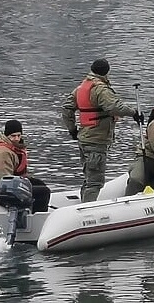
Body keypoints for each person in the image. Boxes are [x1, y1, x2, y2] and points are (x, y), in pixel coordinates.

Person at [62, 58, 143, 202]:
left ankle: (83, 202)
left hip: (84, 137)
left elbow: (67, 109)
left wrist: (72, 129)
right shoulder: (100, 89)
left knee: (89, 176)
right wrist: (134, 113)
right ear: (107, 72)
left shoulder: (81, 87)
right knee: (95, 181)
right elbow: (114, 107)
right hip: (96, 140)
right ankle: (86, 210)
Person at [0, 119, 50, 213]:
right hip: (2, 192)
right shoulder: (2, 153)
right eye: (13, 136)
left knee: (40, 184)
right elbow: (4, 180)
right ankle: (38, 218)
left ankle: (33, 210)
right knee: (43, 192)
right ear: (7, 136)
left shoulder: (14, 148)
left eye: (19, 135)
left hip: (14, 183)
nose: (17, 138)